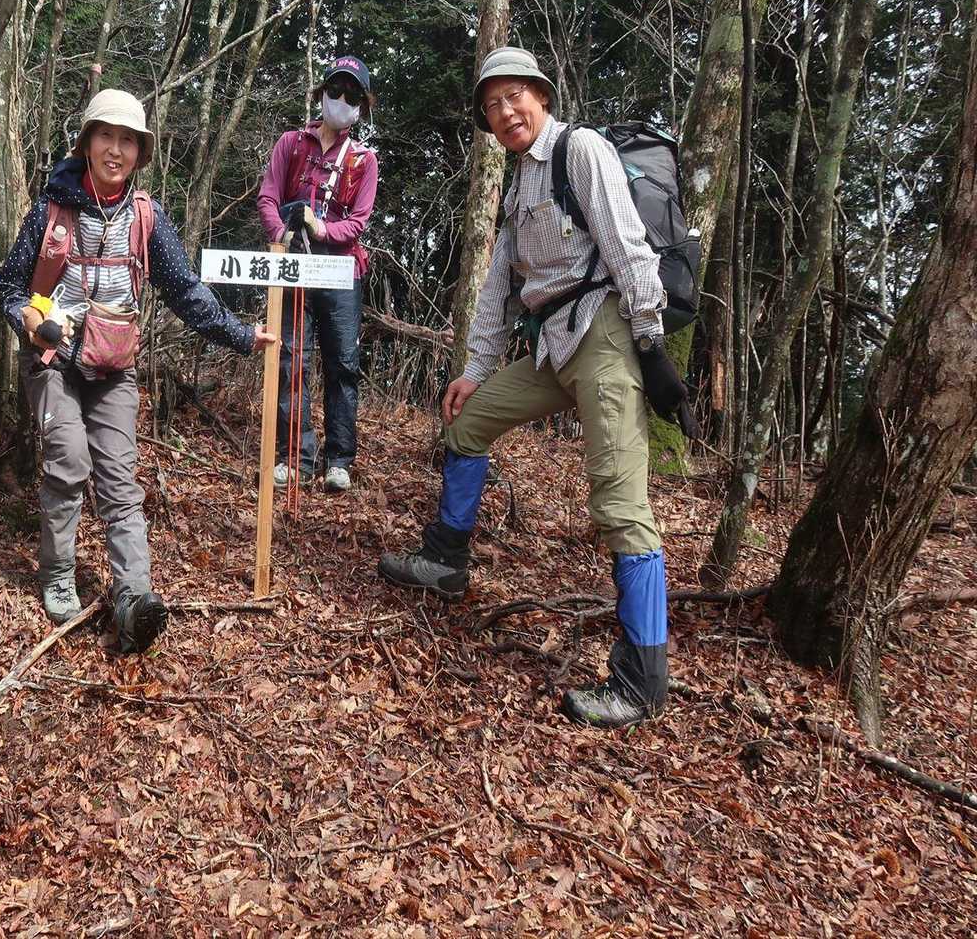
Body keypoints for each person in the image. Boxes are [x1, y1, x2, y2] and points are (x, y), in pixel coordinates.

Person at [377, 47, 692, 729]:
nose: (505, 111)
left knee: (620, 506)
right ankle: (445, 561)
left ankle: (642, 681)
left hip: (607, 333)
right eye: (492, 105)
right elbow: (498, 287)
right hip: (555, 344)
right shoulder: (520, 184)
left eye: (514, 96)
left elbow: (628, 245)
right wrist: (474, 372)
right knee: (467, 424)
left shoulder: (582, 151)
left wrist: (649, 341)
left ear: (541, 97)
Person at [0, 88, 277, 653]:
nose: (115, 149)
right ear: (88, 142)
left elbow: (185, 290)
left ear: (140, 152)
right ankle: (58, 573)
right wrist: (31, 320)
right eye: (106, 136)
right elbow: (9, 286)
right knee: (68, 461)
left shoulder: (147, 217)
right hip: (53, 362)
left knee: (120, 480)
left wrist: (243, 335)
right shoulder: (52, 209)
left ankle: (134, 597)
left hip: (114, 366)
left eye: (127, 140)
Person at [257, 55, 379, 493]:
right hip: (295, 266)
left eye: (351, 94)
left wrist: (322, 228)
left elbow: (359, 221)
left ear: (361, 105)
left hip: (342, 270)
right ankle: (295, 456)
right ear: (321, 92)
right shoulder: (291, 144)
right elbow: (268, 197)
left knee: (342, 363)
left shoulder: (364, 160)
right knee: (291, 358)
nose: (341, 100)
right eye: (335, 90)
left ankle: (339, 459)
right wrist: (283, 234)